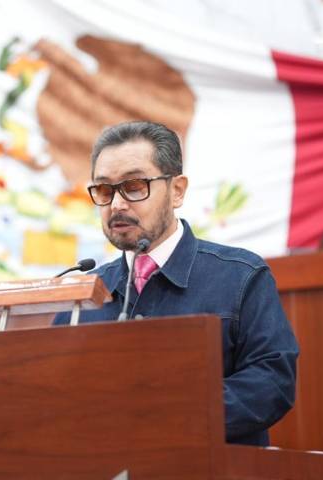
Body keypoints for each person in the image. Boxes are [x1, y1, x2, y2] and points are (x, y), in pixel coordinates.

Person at [54, 121, 298, 447]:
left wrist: (170, 413)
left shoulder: (241, 276)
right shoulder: (80, 296)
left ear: (177, 190)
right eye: (104, 190)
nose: (117, 204)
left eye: (135, 186)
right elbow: (54, 398)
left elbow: (272, 381)